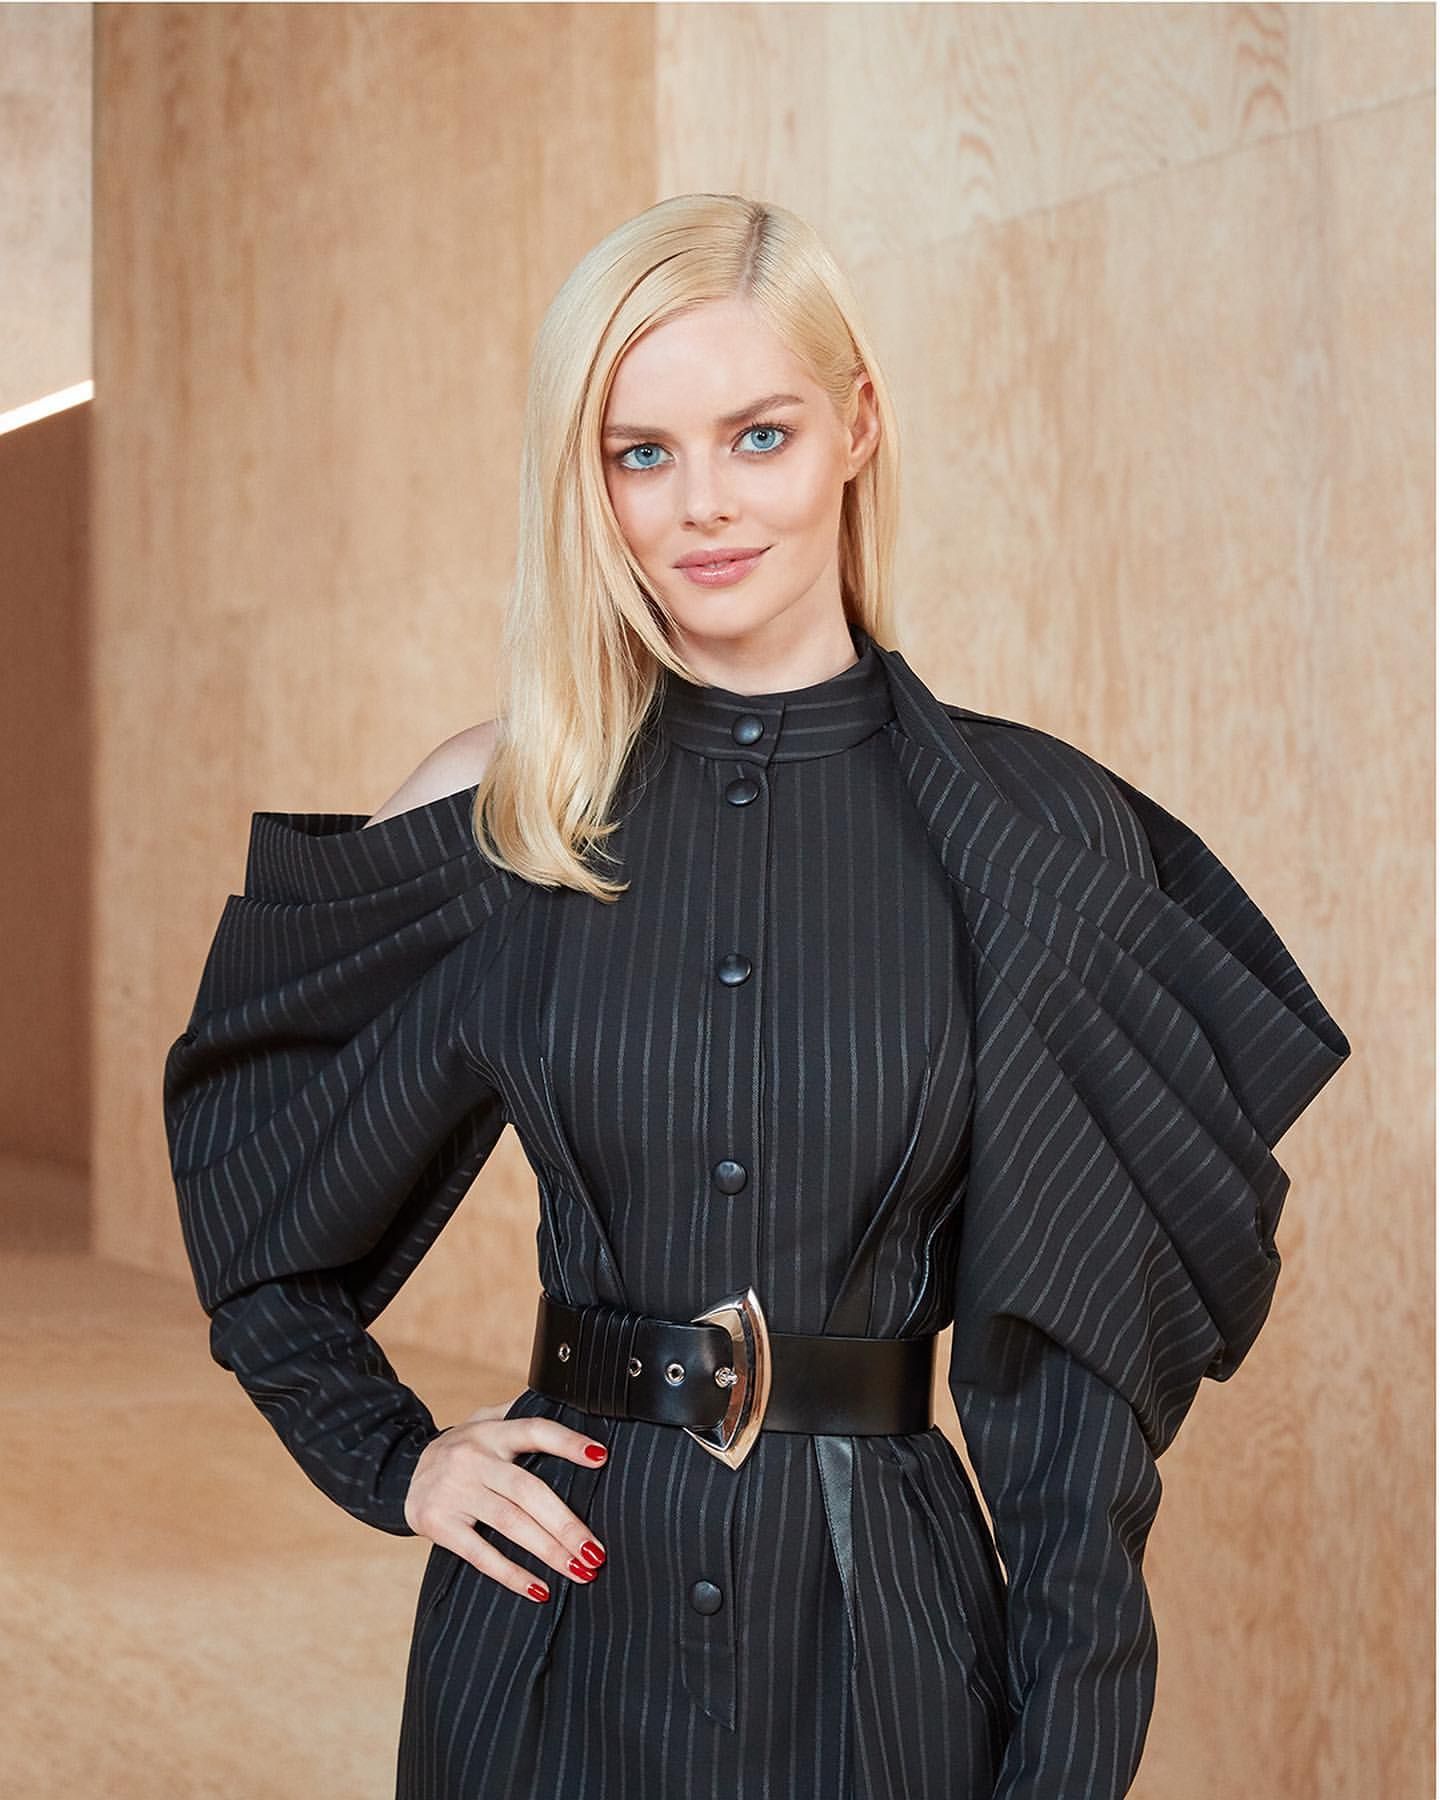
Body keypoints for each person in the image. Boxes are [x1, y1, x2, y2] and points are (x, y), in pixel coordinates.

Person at [161, 193, 1352, 1799]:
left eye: (760, 435)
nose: (702, 504)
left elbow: (1074, 1428)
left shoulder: (1035, 840)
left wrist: (1064, 1765)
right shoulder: (506, 815)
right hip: (545, 1647)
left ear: (858, 426)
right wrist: (395, 1460)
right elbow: (263, 1214)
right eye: (640, 452)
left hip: (885, 1658)